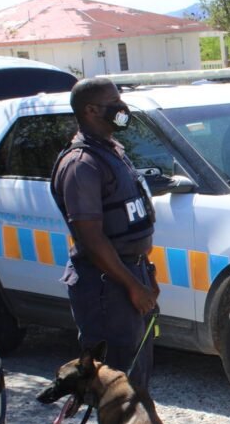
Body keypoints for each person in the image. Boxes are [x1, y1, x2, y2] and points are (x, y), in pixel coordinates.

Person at [51, 78, 159, 391]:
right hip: (105, 287)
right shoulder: (81, 164)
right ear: (92, 110)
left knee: (136, 378)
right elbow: (92, 239)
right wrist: (132, 286)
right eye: (114, 101)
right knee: (114, 387)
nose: (122, 107)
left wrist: (145, 274)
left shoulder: (111, 151)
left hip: (129, 273)